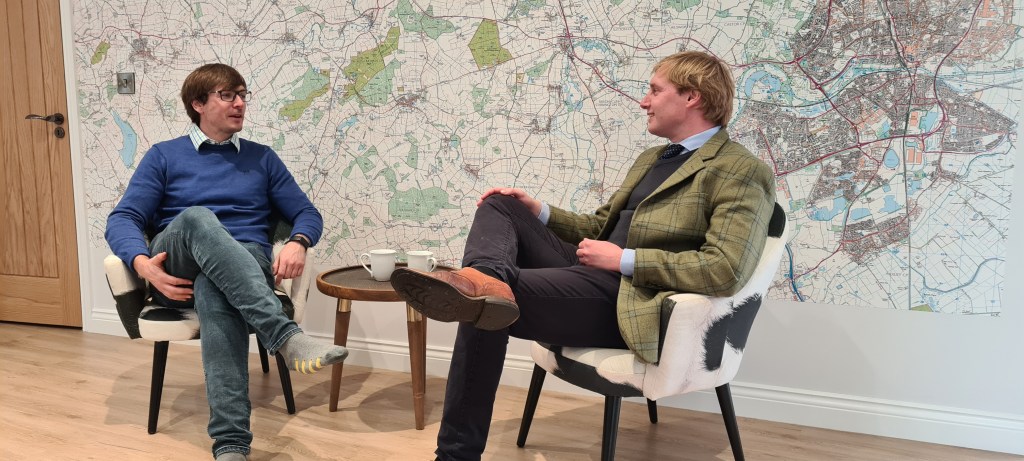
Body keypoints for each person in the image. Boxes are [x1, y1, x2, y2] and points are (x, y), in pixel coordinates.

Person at [389, 51, 777, 460]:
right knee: (502, 206)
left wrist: (623, 259)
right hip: (589, 275)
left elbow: (726, 269)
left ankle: (455, 455)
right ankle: (483, 277)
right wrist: (538, 210)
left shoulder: (741, 170)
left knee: (484, 304)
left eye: (654, 90)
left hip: (630, 298)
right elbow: (600, 226)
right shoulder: (653, 159)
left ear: (691, 97)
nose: (644, 101)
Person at [105, 63, 348, 461]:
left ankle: (231, 443)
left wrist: (299, 242)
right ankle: (284, 336)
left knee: (214, 287)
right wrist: (143, 264)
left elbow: (306, 212)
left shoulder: (262, 158)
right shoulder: (164, 155)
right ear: (198, 104)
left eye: (242, 95)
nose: (239, 103)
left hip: (241, 266)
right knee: (198, 218)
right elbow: (123, 218)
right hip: (177, 265)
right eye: (227, 95)